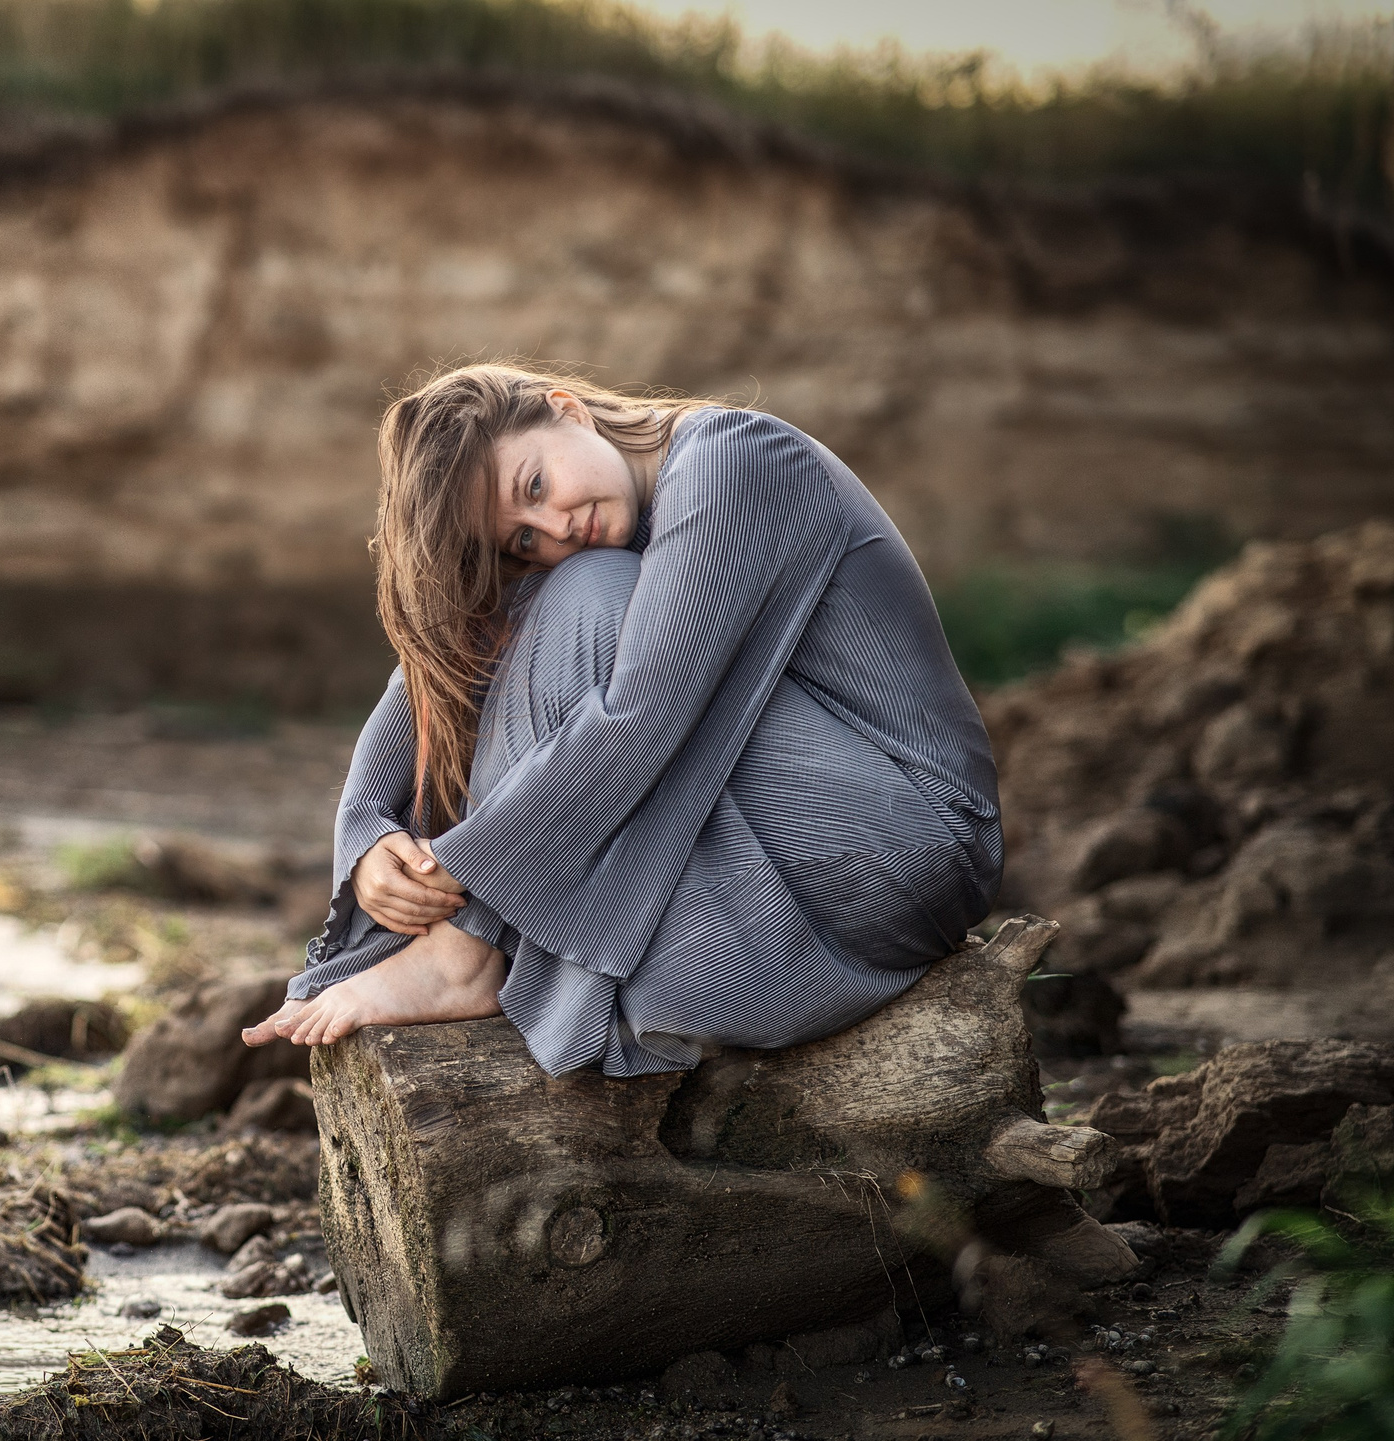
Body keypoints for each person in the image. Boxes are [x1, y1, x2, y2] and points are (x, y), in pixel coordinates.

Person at [241, 364, 1002, 1076]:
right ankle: (510, 958)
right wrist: (366, 831)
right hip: (771, 917)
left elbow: (644, 713)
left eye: (535, 483)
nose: (554, 525)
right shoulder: (597, 529)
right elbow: (437, 665)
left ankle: (464, 955)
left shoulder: (736, 458)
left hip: (907, 847)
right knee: (533, 605)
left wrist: (465, 873)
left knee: (588, 592)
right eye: (522, 536)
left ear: (566, 409)